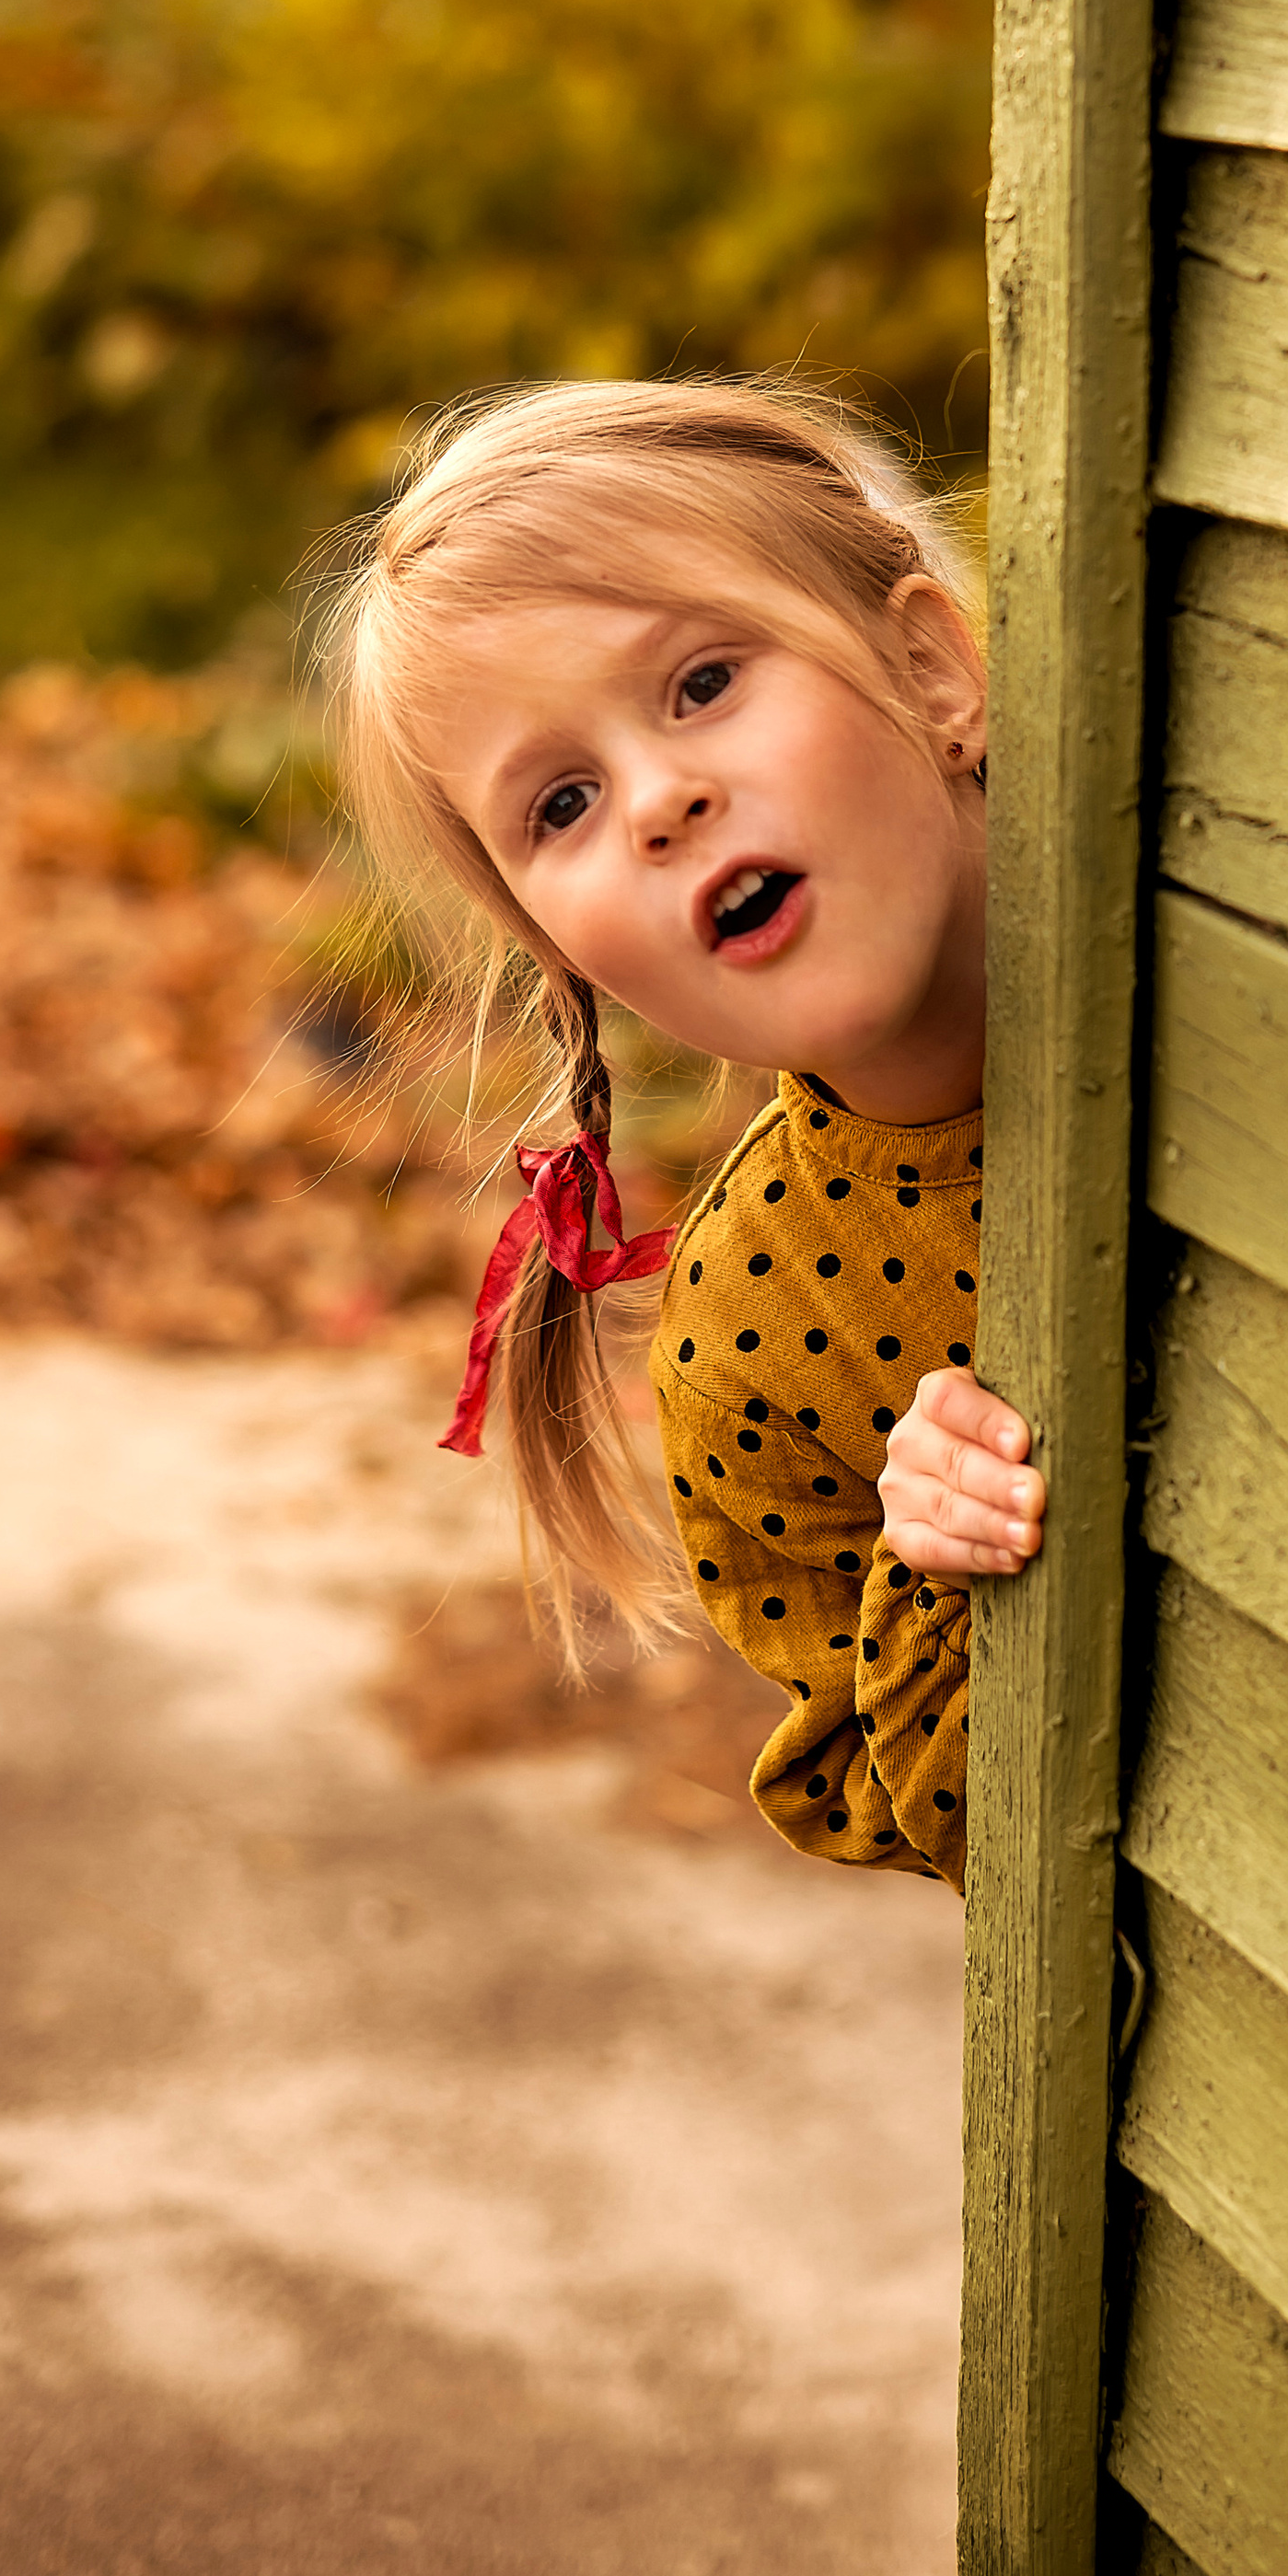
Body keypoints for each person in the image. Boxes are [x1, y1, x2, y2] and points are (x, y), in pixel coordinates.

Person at [331, 376, 1045, 1890]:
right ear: (558, 948)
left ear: (931, 668)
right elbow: (925, 1816)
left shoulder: (1224, 893)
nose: (659, 801)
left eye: (704, 682)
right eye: (563, 803)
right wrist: (939, 1571)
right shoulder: (759, 1339)